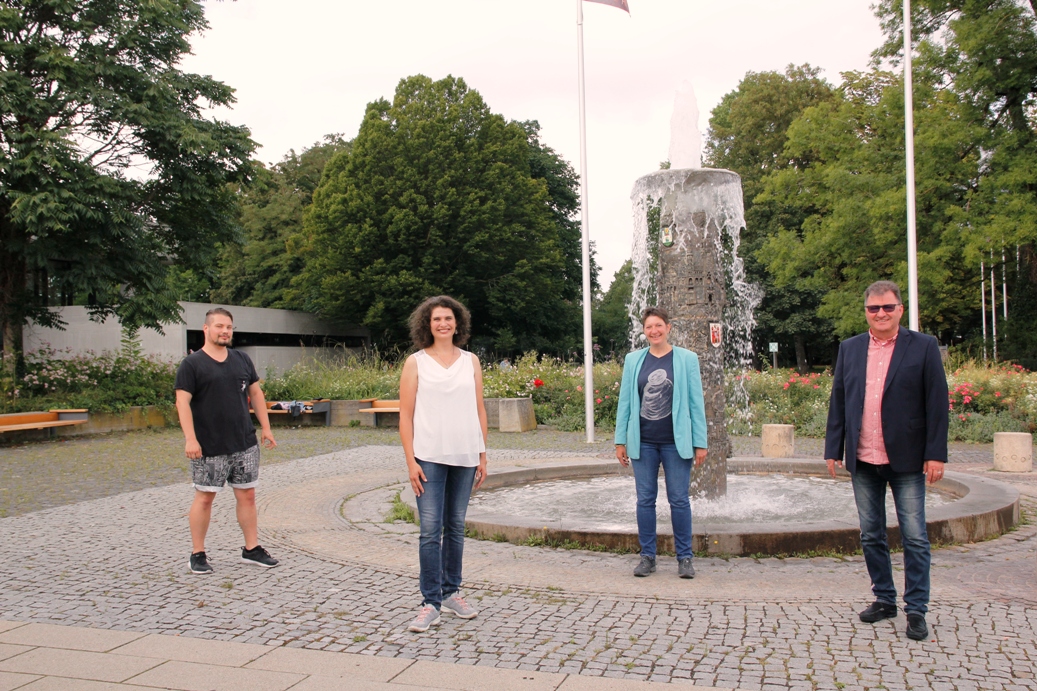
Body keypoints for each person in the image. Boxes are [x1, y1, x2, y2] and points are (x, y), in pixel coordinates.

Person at [824, 280, 948, 641]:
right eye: (873, 308)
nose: (880, 314)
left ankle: (917, 609)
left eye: (887, 307)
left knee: (914, 536)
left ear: (900, 310)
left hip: (907, 457)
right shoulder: (850, 348)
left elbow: (937, 403)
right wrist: (834, 447)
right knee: (871, 534)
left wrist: (935, 454)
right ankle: (884, 598)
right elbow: (840, 399)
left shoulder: (923, 346)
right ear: (865, 311)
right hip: (864, 457)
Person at [399, 295, 489, 633]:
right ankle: (429, 602)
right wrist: (410, 460)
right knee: (429, 530)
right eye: (437, 319)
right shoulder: (416, 362)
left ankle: (452, 593)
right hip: (428, 457)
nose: (443, 324)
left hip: (465, 455)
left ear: (457, 323)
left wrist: (482, 454)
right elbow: (405, 415)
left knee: (456, 527)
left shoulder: (471, 361)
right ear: (428, 324)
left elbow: (478, 408)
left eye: (448, 319)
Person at [175, 307, 279, 574]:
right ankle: (197, 554)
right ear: (206, 329)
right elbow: (182, 402)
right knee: (205, 498)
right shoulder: (192, 364)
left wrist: (265, 428)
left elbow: (256, 394)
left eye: (229, 327)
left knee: (248, 496)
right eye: (219, 326)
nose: (225, 331)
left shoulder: (241, 359)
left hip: (244, 442)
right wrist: (190, 439)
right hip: (208, 446)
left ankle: (251, 549)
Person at [615, 306, 708, 579]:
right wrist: (620, 440)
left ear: (669, 327)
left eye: (658, 325)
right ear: (644, 331)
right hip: (642, 442)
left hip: (675, 443)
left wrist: (700, 443)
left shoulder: (686, 359)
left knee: (679, 500)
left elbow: (696, 403)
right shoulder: (634, 360)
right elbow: (625, 403)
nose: (654, 331)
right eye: (648, 327)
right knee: (645, 500)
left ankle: (685, 557)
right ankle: (647, 557)